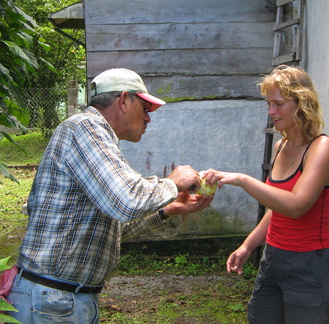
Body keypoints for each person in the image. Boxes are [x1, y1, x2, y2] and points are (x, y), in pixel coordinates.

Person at [6, 68, 213, 323]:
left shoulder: (96, 137)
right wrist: (172, 183)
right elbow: (127, 201)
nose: (149, 119)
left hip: (65, 299)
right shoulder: (85, 128)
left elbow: (111, 228)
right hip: (52, 299)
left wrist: (169, 209)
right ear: (124, 100)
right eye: (146, 109)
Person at [204, 65, 329, 323]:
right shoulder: (281, 146)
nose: (271, 112)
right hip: (273, 260)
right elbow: (277, 209)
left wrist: (243, 180)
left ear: (303, 103)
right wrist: (248, 245)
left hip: (309, 264)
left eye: (278, 104)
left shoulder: (323, 148)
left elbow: (296, 206)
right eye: (268, 103)